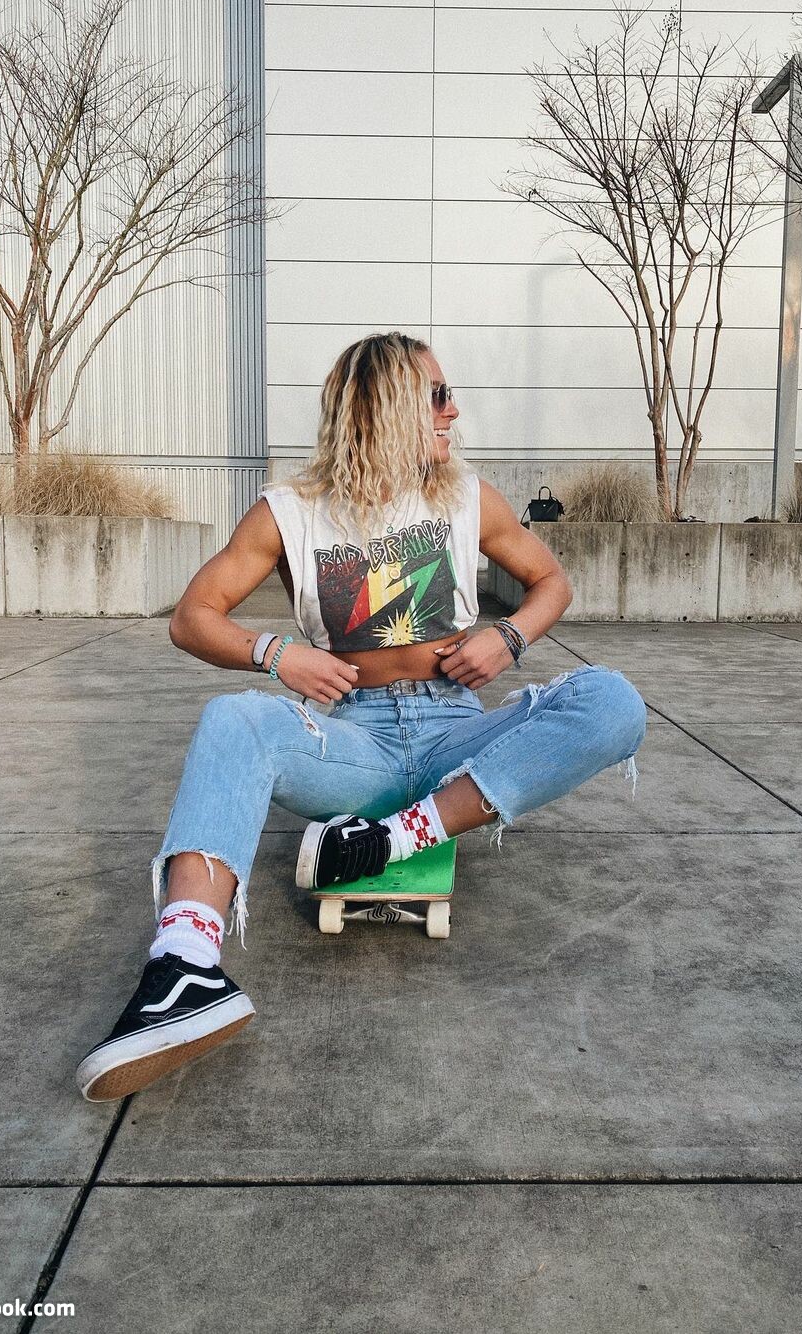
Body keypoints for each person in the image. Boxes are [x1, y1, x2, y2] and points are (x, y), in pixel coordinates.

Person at [75, 332, 647, 1102]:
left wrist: (507, 638)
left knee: (611, 700)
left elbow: (551, 581)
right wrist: (276, 654)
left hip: (456, 739)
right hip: (354, 742)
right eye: (438, 396)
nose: (454, 411)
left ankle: (391, 839)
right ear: (386, 406)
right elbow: (192, 618)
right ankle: (185, 968)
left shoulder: (468, 497)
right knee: (232, 720)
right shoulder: (288, 514)